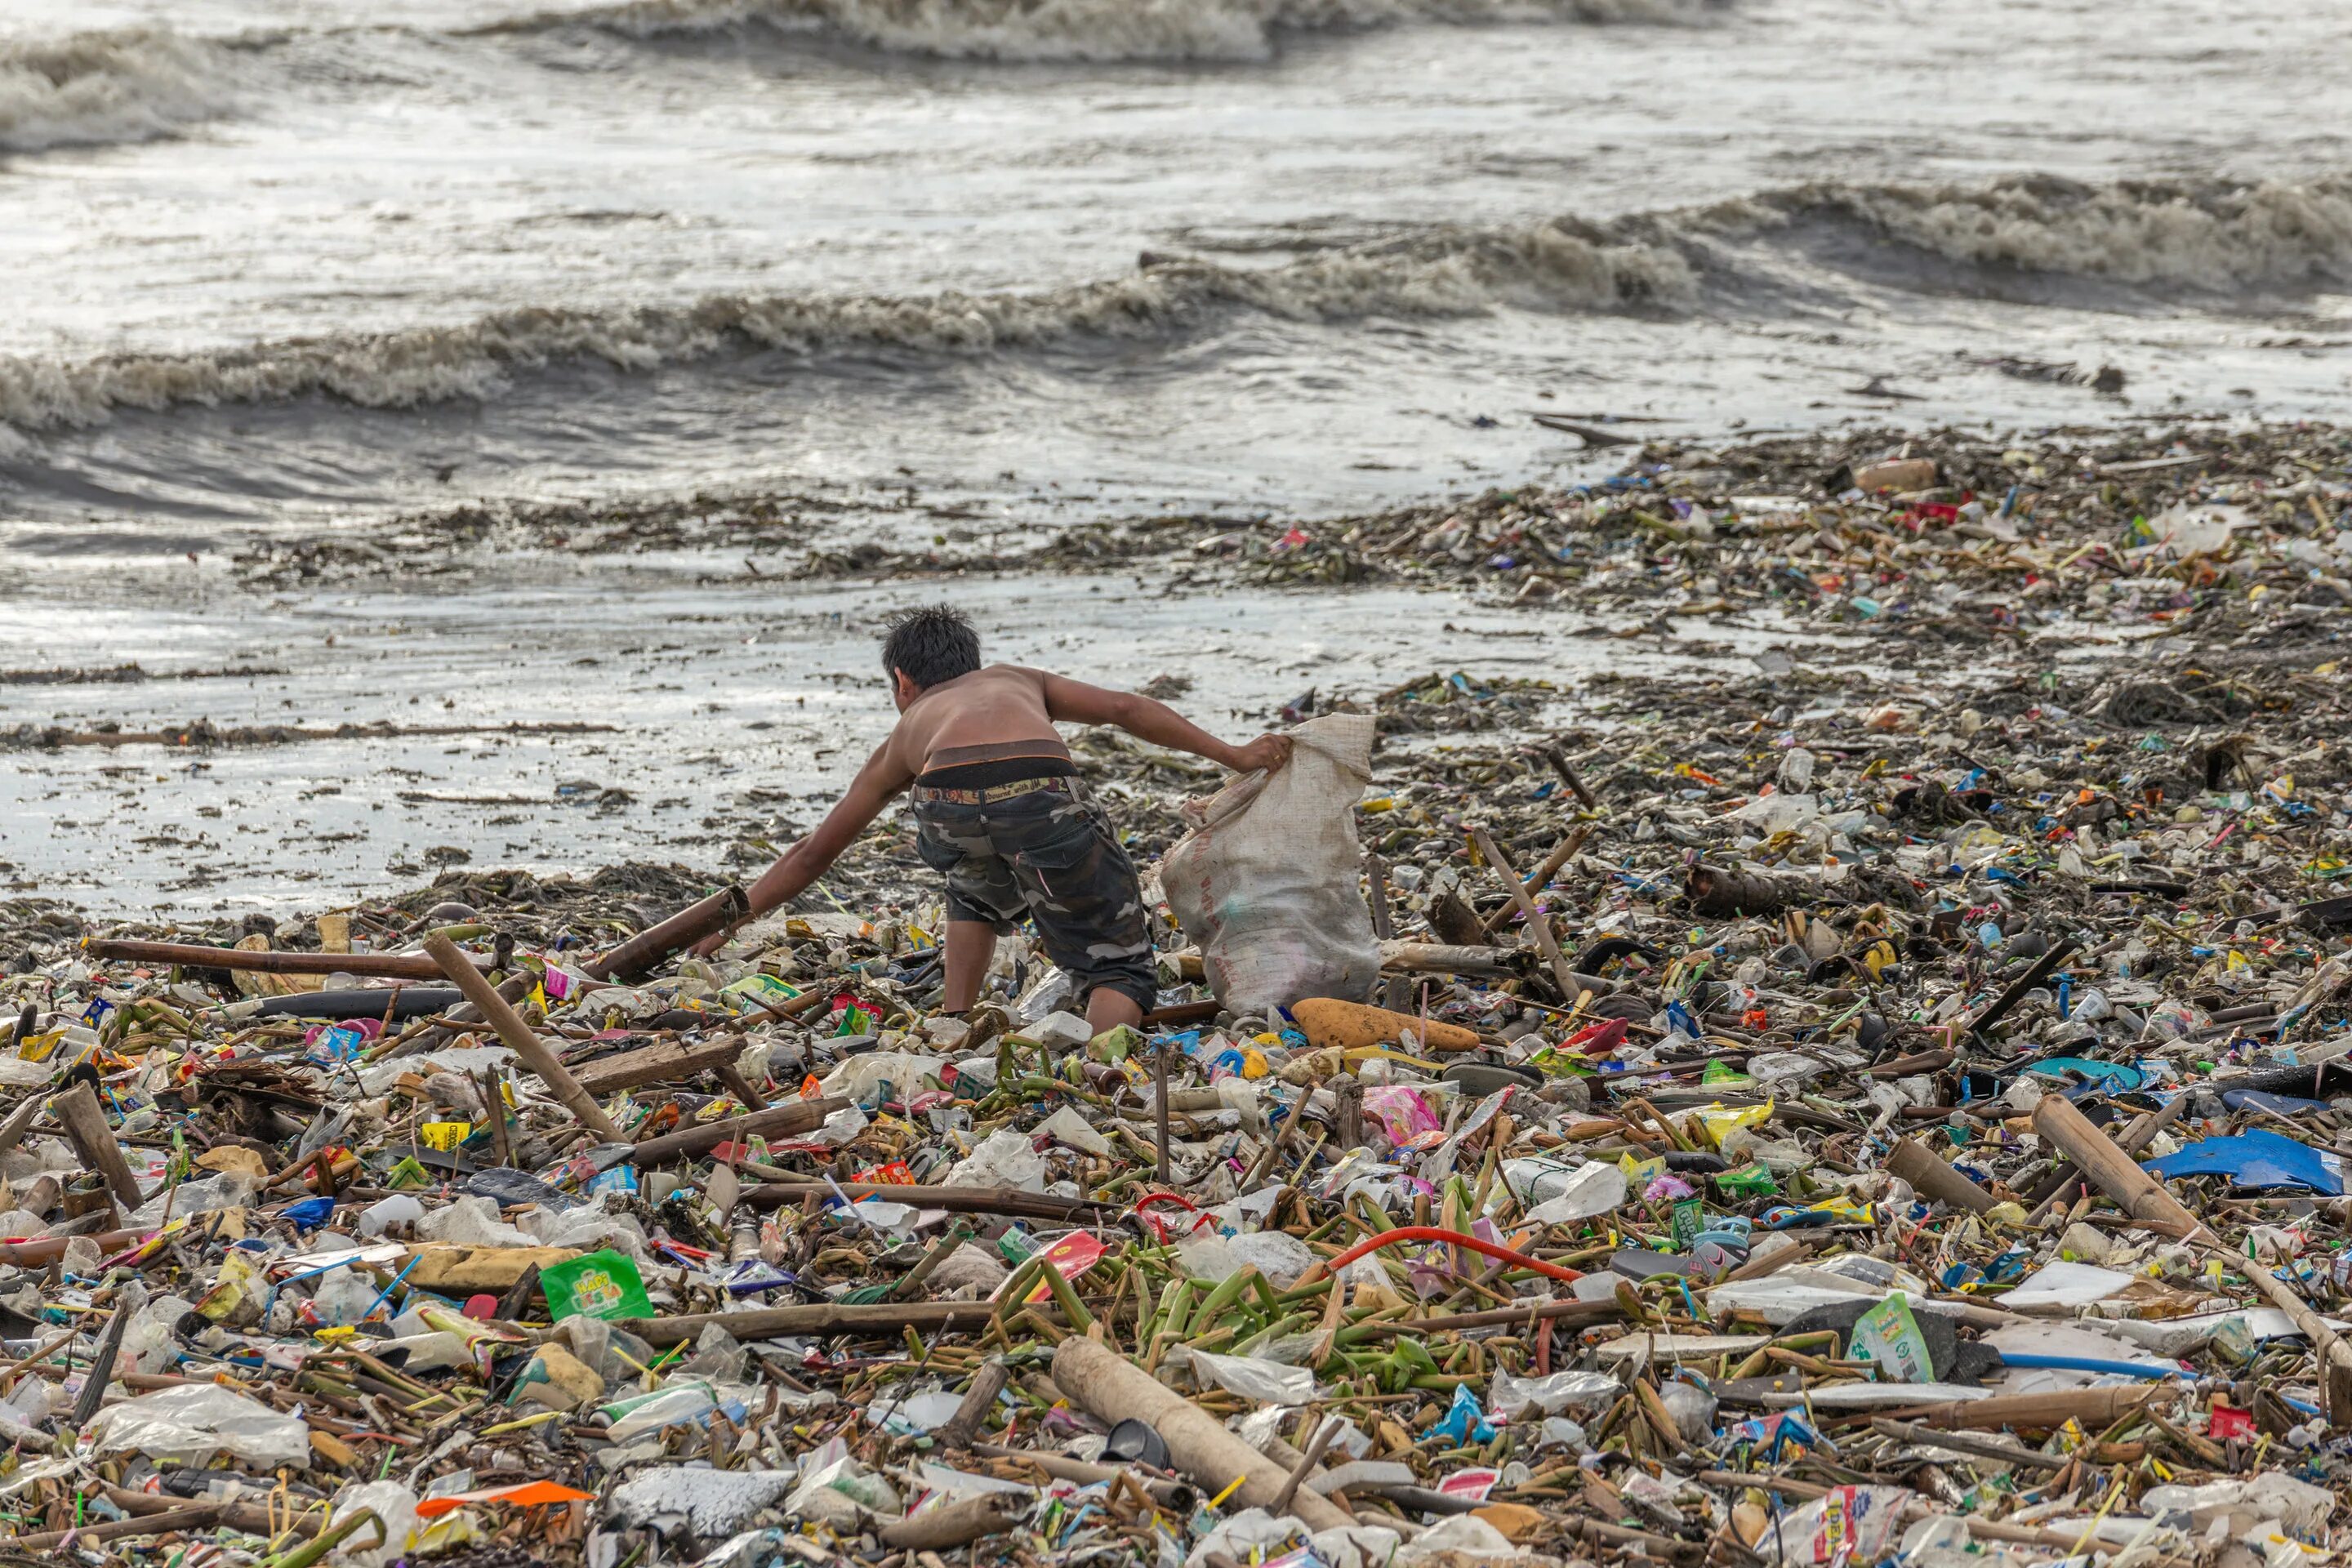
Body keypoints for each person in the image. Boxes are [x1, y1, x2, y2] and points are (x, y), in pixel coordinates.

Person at [697, 605, 1292, 1033]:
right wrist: (1235, 755)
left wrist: (728, 921)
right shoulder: (1016, 679)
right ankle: (1105, 1068)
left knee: (974, 880)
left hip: (945, 803)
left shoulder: (907, 733)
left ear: (903, 683)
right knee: (1118, 962)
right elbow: (1124, 708)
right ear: (972, 664)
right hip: (1040, 796)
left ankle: (955, 1020)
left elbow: (814, 853)